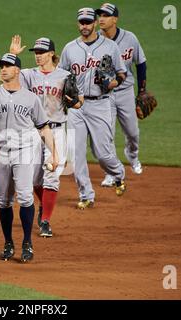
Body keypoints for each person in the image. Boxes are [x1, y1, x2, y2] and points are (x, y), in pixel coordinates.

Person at [0, 53, 59, 263]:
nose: (3, 69)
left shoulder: (30, 98)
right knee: (3, 201)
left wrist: (54, 153)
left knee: (25, 197)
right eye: (1, 66)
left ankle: (27, 242)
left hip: (24, 150)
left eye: (8, 66)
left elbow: (43, 126)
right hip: (0, 152)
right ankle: (8, 242)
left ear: (17, 70)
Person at [9, 35, 81, 237]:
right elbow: (9, 76)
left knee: (52, 175)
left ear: (52, 54)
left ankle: (45, 221)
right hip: (33, 131)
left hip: (57, 130)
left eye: (41, 53)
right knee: (32, 178)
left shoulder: (65, 75)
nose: (38, 56)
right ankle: (43, 205)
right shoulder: (28, 75)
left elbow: (79, 102)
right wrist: (13, 55)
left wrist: (74, 100)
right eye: (36, 53)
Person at [58, 7, 127, 210]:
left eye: (88, 22)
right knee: (76, 154)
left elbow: (122, 73)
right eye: (82, 22)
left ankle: (118, 173)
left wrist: (112, 83)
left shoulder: (111, 47)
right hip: (77, 108)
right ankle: (86, 194)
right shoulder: (70, 48)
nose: (84, 26)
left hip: (101, 103)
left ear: (95, 23)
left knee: (103, 153)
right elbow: (61, 75)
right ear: (78, 23)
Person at [96, 3, 147, 187]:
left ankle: (132, 155)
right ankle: (111, 172)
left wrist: (142, 91)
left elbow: (141, 64)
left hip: (125, 91)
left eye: (106, 15)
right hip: (104, 95)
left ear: (115, 19)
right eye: (99, 15)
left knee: (132, 133)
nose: (101, 18)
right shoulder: (95, 41)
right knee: (106, 135)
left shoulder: (130, 38)